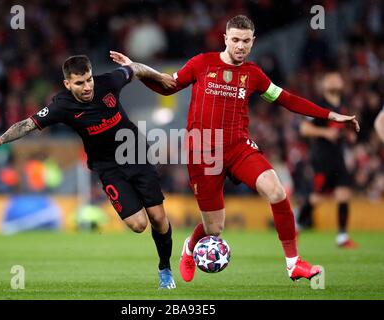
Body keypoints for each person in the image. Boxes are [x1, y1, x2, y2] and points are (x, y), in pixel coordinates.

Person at [110, 15, 360, 283]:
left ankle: (293, 263)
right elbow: (168, 86)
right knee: (214, 229)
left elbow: (287, 99)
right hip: (205, 152)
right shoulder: (202, 63)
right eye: (236, 40)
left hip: (239, 147)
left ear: (253, 43)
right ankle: (189, 248)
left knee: (276, 191)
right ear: (225, 39)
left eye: (246, 41)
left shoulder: (254, 75)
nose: (240, 46)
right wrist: (137, 70)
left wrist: (330, 115)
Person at [0, 55, 177, 290]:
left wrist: (158, 76)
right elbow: (28, 124)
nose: (87, 87)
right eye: (79, 83)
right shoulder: (61, 106)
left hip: (135, 153)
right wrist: (1, 140)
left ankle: (165, 268)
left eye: (89, 80)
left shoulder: (109, 82)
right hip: (107, 167)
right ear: (67, 84)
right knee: (138, 224)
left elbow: (135, 69)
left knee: (158, 219)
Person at [297, 71, 358, 248]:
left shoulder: (344, 105)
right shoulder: (319, 105)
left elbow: (344, 128)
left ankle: (342, 237)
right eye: (330, 79)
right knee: (317, 197)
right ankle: (297, 225)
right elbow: (304, 128)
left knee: (344, 194)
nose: (334, 81)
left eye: (337, 78)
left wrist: (349, 135)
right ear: (324, 85)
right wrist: (325, 132)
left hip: (338, 156)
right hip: (322, 157)